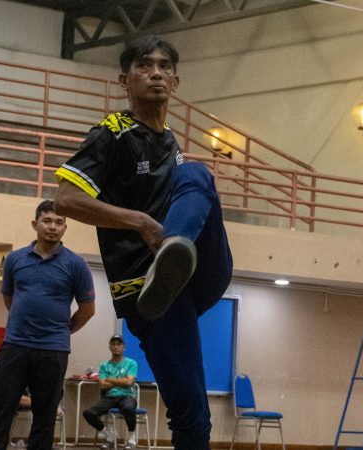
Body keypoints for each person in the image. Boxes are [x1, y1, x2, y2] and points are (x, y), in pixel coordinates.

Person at [54, 35, 233, 449]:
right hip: (146, 292)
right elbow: (65, 199)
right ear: (124, 79)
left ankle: (175, 251)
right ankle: (168, 257)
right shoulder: (111, 133)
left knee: (196, 174)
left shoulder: (170, 141)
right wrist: (140, 223)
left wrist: (168, 235)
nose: (156, 73)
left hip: (189, 276)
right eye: (144, 65)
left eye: (164, 66)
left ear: (176, 81)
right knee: (193, 414)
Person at [0, 199, 96, 450]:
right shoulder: (15, 259)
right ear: (35, 224)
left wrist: (62, 330)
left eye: (59, 222)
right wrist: (26, 324)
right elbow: (9, 299)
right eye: (47, 221)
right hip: (15, 346)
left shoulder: (76, 265)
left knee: (45, 418)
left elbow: (88, 309)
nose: (53, 227)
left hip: (53, 351)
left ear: (65, 228)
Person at [83, 334, 139, 449]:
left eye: (119, 344)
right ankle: (110, 435)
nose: (116, 347)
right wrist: (121, 380)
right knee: (88, 413)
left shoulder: (131, 363)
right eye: (113, 344)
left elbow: (129, 382)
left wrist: (110, 379)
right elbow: (103, 385)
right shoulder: (104, 366)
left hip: (127, 396)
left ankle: (131, 438)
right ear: (109, 347)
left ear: (124, 347)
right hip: (110, 397)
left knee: (128, 408)